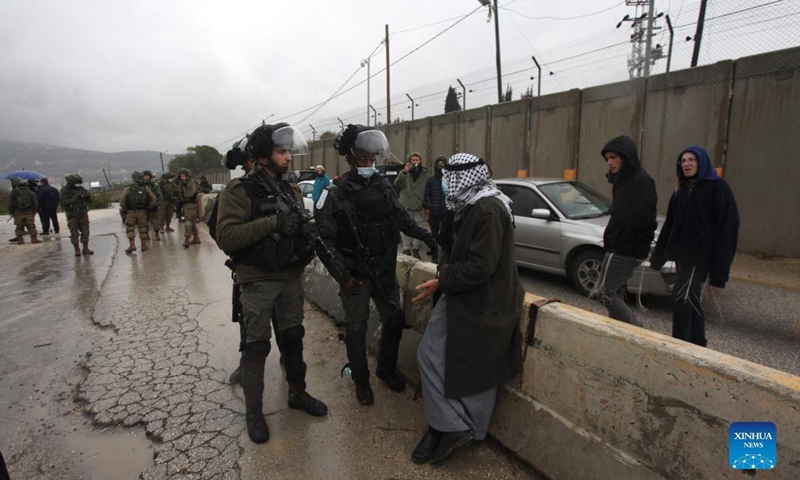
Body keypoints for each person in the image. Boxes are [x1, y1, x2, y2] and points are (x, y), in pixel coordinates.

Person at [215, 123, 327, 444]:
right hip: (258, 280)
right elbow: (227, 236)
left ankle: (297, 393)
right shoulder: (238, 192)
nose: (288, 157)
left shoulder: (290, 190)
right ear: (264, 155)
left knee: (293, 338)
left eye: (289, 151)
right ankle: (254, 411)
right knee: (257, 344)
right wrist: (273, 222)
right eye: (282, 151)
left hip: (289, 278)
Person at [410, 153, 523, 465]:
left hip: (485, 300)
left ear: (466, 177)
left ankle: (457, 427)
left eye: (450, 176)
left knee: (474, 366)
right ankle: (449, 425)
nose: (446, 182)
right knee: (442, 358)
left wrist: (441, 280)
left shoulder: (488, 209)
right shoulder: (469, 204)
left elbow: (479, 266)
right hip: (467, 295)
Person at [315, 124, 437, 405]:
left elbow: (403, 218)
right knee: (356, 329)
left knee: (394, 319)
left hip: (383, 269)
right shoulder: (336, 193)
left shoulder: (383, 187)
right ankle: (361, 381)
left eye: (372, 160)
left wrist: (429, 237)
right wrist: (343, 276)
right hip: (355, 275)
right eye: (363, 160)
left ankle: (386, 368)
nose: (369, 165)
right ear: (351, 159)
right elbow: (324, 242)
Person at [649, 146, 739, 347]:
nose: (686, 164)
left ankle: (679, 347)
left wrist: (720, 270)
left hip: (700, 258)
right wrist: (659, 257)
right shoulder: (681, 191)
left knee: (680, 298)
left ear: (702, 162)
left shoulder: (718, 189)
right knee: (691, 299)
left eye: (691, 160)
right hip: (682, 256)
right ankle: (698, 344)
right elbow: (670, 226)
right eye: (683, 160)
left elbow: (728, 229)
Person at [594, 135, 657, 327]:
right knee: (617, 292)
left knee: (604, 293)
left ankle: (636, 331)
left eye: (613, 157)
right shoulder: (622, 180)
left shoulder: (641, 181)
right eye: (607, 159)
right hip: (616, 245)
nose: (610, 163)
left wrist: (641, 250)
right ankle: (620, 330)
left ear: (625, 156)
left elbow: (646, 218)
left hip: (625, 248)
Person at [395, 152, 431, 259]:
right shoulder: (405, 173)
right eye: (413, 160)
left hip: (418, 206)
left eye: (417, 160)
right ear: (410, 161)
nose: (415, 162)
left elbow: (428, 191)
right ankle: (406, 249)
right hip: (405, 205)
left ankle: (415, 249)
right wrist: (404, 172)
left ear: (420, 161)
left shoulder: (426, 175)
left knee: (418, 227)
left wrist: (426, 205)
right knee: (405, 228)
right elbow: (397, 184)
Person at [120, 171, 157, 254]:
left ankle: (132, 245)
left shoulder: (128, 188)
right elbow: (153, 199)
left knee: (130, 228)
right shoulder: (145, 188)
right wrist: (148, 207)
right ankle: (143, 245)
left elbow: (122, 201)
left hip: (131, 211)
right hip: (142, 211)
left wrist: (125, 209)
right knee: (143, 228)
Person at [60, 174, 94, 255]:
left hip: (82, 212)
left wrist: (87, 197)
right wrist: (75, 199)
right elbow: (63, 202)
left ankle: (85, 248)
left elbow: (90, 200)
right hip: (72, 213)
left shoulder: (81, 189)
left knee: (85, 230)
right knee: (74, 231)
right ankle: (77, 249)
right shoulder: (65, 190)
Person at [8, 177, 42, 245]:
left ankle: (20, 240)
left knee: (19, 226)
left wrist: (11, 211)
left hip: (17, 212)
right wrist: (34, 211)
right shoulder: (31, 193)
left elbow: (10, 204)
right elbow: (35, 204)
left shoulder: (13, 193)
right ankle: (34, 239)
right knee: (31, 226)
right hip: (29, 212)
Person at [423, 156, 448, 246]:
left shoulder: (448, 179)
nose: (440, 165)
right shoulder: (431, 180)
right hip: (434, 213)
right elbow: (426, 195)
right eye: (438, 163)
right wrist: (430, 206)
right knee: (434, 235)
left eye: (442, 163)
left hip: (445, 212)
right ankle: (434, 253)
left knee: (445, 233)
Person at [176, 168, 201, 248]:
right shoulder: (182, 183)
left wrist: (183, 187)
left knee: (188, 222)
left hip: (191, 205)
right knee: (191, 221)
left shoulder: (191, 183)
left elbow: (188, 194)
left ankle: (186, 239)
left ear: (188, 176)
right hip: (185, 205)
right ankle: (196, 238)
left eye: (184, 176)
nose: (182, 178)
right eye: (181, 176)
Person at [141, 170, 163, 241]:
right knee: (144, 222)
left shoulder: (154, 185)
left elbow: (159, 196)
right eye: (145, 176)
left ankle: (157, 234)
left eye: (147, 176)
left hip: (154, 206)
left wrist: (157, 204)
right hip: (144, 207)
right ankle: (146, 234)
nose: (146, 177)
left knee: (156, 221)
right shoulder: (141, 186)